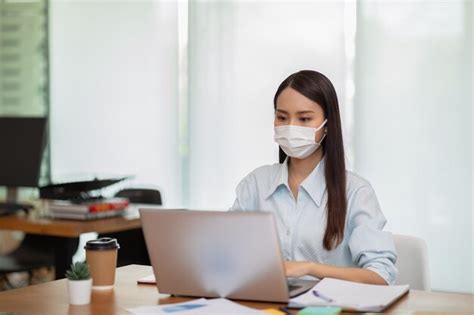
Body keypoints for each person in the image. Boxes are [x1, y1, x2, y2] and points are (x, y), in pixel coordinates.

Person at [231, 70, 397, 285]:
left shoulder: (355, 191)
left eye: (304, 118)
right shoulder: (255, 184)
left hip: (328, 306)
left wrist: (310, 268)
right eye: (282, 117)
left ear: (327, 124)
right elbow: (226, 252)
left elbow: (382, 276)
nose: (291, 127)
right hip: (267, 304)